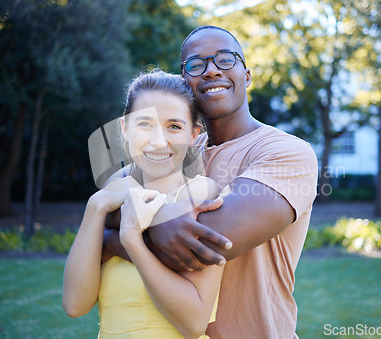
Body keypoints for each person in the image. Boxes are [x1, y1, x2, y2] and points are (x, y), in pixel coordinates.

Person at [103, 25, 318, 338]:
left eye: (225, 60)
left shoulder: (285, 152)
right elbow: (106, 197)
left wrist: (111, 238)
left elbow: (200, 247)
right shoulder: (176, 150)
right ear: (185, 84)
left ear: (247, 75)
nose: (212, 71)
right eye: (196, 65)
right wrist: (153, 220)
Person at [63, 70, 230, 339]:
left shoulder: (199, 195)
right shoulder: (109, 198)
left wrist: (131, 239)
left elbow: (194, 322)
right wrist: (95, 206)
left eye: (174, 126)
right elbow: (75, 305)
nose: (158, 141)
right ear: (125, 128)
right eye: (145, 124)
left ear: (193, 135)